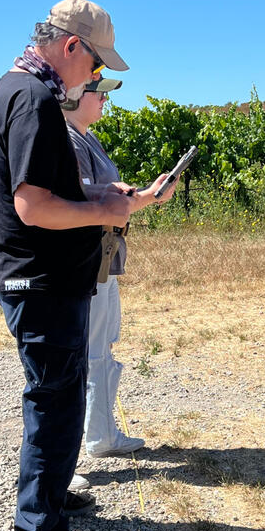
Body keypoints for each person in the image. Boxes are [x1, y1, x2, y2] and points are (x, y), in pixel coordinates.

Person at [0, 0, 145, 531]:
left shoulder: (14, 88)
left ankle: (49, 493)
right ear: (72, 46)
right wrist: (103, 211)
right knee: (55, 400)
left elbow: (45, 191)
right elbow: (34, 206)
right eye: (96, 64)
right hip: (40, 279)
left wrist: (100, 195)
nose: (94, 77)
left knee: (58, 394)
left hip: (35, 277)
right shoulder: (34, 99)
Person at [63, 76, 175, 458]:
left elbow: (112, 204)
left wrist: (150, 195)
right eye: (99, 93)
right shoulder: (69, 142)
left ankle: (102, 432)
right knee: (93, 348)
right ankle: (96, 438)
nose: (104, 100)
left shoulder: (87, 138)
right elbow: (83, 207)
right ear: (75, 96)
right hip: (88, 259)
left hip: (104, 258)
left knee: (103, 342)